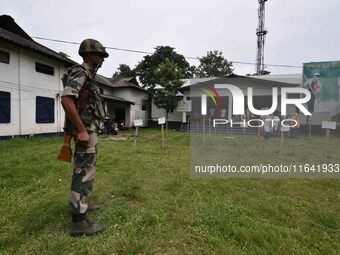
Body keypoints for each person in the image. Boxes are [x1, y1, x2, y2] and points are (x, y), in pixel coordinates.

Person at [61, 39, 109, 236]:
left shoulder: (89, 75)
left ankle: (82, 204)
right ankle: (79, 222)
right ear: (89, 55)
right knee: (83, 172)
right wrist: (81, 130)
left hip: (89, 129)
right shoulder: (80, 72)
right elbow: (66, 99)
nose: (102, 60)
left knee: (87, 170)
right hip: (84, 131)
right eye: (100, 56)